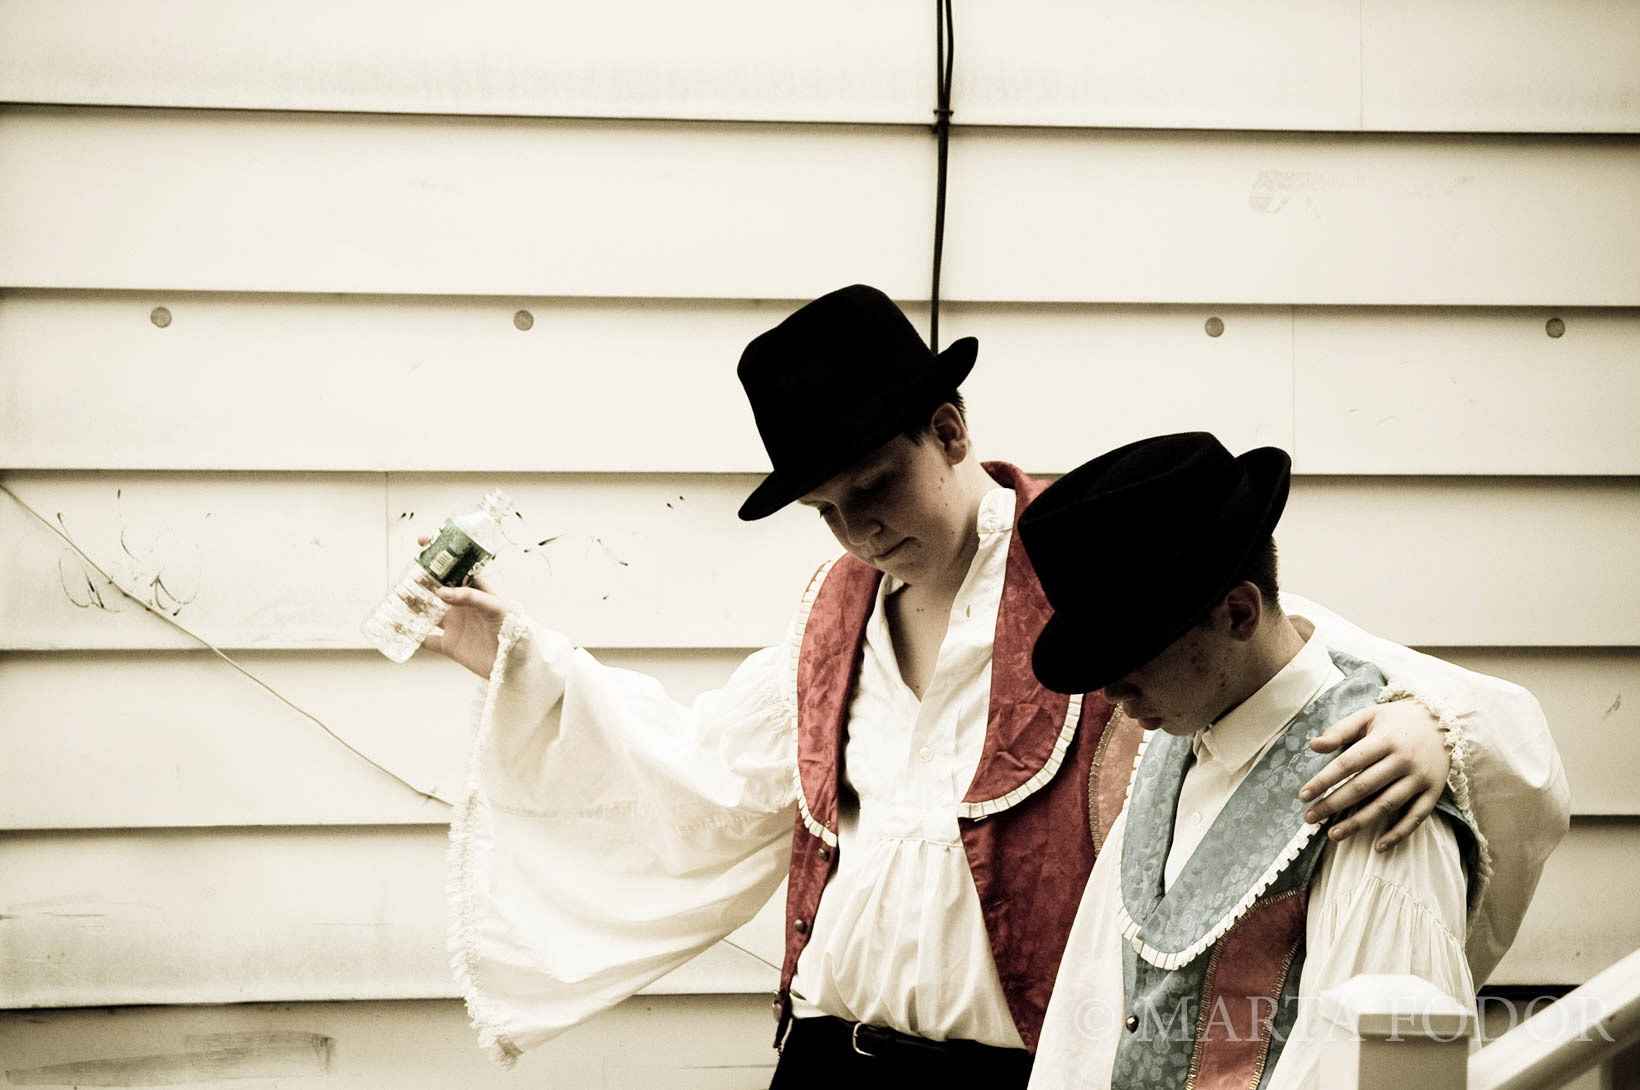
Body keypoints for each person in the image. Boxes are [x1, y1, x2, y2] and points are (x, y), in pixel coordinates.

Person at [423, 286, 1567, 1085]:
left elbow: (1287, 659)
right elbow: (707, 776)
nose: (859, 529)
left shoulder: (1094, 565)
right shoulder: (828, 616)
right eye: (827, 508)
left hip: (1013, 1070)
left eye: (876, 484)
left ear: (950, 427)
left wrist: (1427, 726)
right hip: (827, 1057)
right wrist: (525, 661)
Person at [1016, 432, 1526, 1089]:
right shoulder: (1171, 738)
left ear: (1237, 613)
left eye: (1135, 651)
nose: (1111, 692)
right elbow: (1090, 1005)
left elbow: (1375, 1066)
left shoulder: (1370, 790)